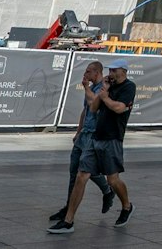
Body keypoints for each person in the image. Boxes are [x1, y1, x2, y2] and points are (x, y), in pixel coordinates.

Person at [49, 58, 136, 233]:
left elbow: (119, 108)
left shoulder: (128, 87)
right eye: (110, 70)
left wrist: (105, 97)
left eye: (114, 71)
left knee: (113, 180)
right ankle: (68, 221)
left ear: (124, 71)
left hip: (112, 138)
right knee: (81, 176)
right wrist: (103, 92)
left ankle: (127, 205)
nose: (111, 74)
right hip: (95, 137)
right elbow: (93, 108)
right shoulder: (107, 87)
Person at [49, 61, 111, 221]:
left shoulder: (103, 88)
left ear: (97, 73)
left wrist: (86, 87)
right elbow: (85, 110)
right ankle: (68, 206)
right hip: (84, 133)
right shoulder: (91, 88)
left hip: (94, 134)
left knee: (85, 171)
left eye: (88, 72)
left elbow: (93, 103)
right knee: (75, 170)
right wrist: (78, 131)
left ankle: (107, 190)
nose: (85, 74)